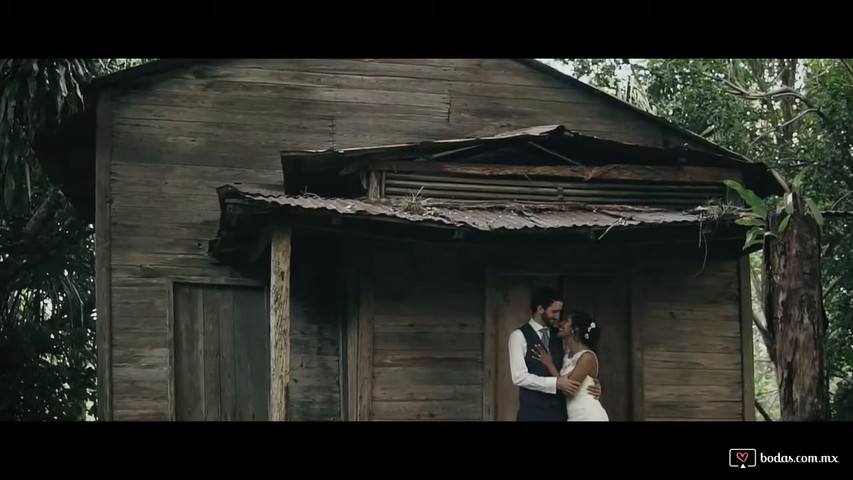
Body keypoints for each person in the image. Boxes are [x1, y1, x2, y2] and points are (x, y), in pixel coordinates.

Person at [508, 287, 601, 421]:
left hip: (560, 414)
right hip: (532, 414)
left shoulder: (561, 336)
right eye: (554, 311)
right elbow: (519, 377)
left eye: (559, 312)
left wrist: (591, 383)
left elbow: (575, 365)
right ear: (540, 309)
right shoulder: (518, 336)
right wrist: (555, 383)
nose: (558, 316)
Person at [531, 310, 610, 421]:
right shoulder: (568, 356)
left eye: (567, 321)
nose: (561, 323)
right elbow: (563, 383)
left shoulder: (587, 357)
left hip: (588, 415)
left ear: (575, 329)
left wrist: (549, 365)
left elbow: (568, 389)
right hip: (574, 415)